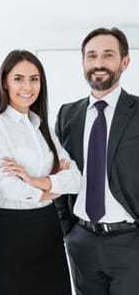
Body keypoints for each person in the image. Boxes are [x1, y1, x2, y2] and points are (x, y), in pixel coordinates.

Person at [0, 49, 81, 295]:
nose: (27, 86)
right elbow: (7, 186)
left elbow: (75, 179)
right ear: (5, 82)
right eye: (18, 78)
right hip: (13, 232)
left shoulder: (43, 126)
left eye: (34, 78)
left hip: (49, 229)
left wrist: (33, 180)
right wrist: (47, 191)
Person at [55, 27, 139, 295]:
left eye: (108, 55)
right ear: (83, 62)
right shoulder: (68, 115)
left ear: (124, 62)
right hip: (81, 241)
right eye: (91, 56)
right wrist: (68, 231)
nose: (99, 63)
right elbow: (58, 173)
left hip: (130, 243)